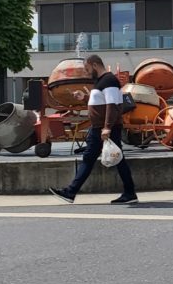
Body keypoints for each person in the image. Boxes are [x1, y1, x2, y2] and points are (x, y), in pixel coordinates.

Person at [49, 55, 137, 205]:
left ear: (94, 65)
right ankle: (71, 192)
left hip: (104, 129)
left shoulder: (109, 80)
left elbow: (112, 105)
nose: (87, 72)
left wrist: (107, 128)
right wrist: (84, 97)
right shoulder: (102, 82)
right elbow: (102, 101)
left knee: (110, 159)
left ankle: (71, 192)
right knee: (100, 159)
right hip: (100, 128)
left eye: (87, 69)